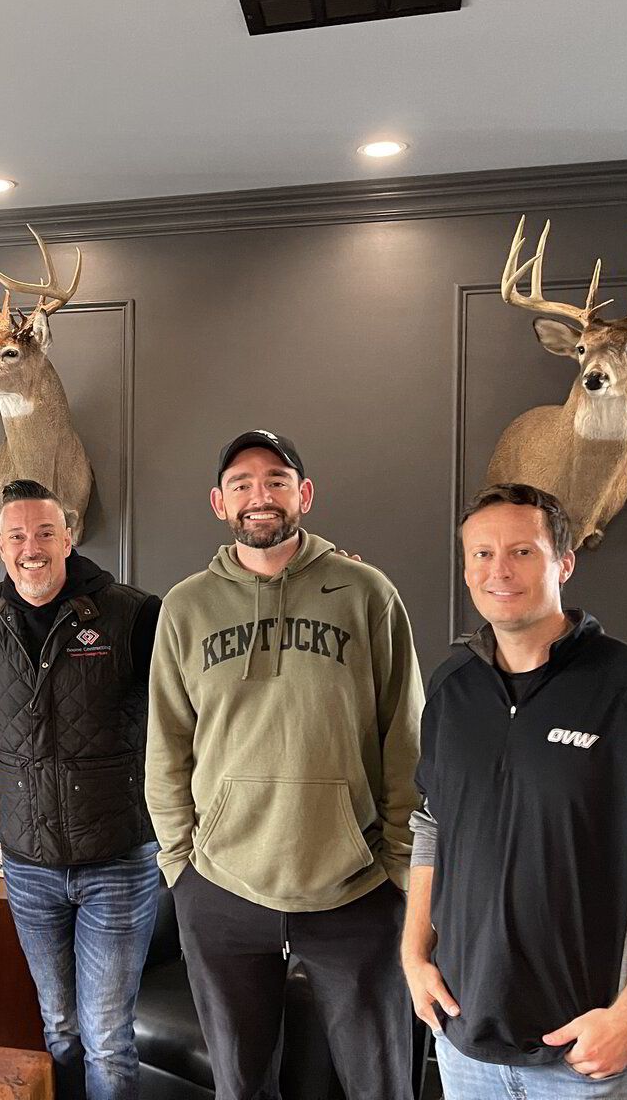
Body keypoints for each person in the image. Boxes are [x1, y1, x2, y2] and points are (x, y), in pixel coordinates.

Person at [403, 483, 627, 1099]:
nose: (498, 569)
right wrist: (414, 956)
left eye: (522, 551)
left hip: (590, 1059)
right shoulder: (451, 689)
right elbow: (431, 824)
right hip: (462, 1045)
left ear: (564, 562)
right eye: (480, 554)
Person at [145, 429, 424, 1100]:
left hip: (354, 885)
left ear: (304, 494)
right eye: (241, 484)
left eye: (275, 480)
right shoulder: (187, 606)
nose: (258, 496)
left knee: (378, 1083)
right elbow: (165, 743)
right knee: (241, 1086)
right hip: (222, 886)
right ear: (219, 503)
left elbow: (405, 738)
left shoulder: (366, 593)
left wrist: (398, 865)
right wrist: (181, 864)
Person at [0, 478, 161, 1100]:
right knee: (58, 1029)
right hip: (27, 869)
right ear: (1, 547)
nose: (32, 547)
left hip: (117, 862)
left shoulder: (132, 613)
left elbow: (208, 664)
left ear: (68, 537)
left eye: (45, 533)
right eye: (18, 536)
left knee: (108, 1037)